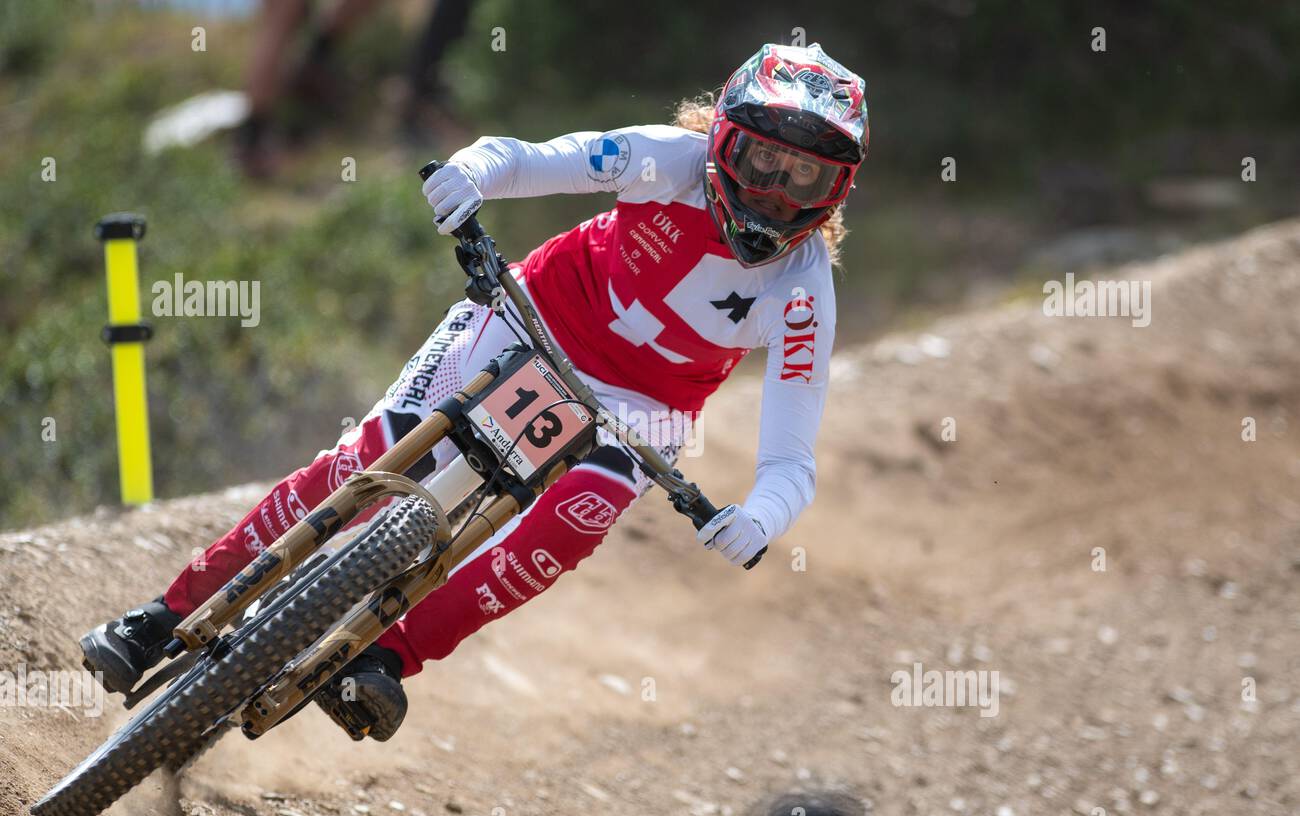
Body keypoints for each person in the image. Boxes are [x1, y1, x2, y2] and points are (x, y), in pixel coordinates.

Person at [81, 42, 869, 742]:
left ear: (839, 191)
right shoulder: (668, 159)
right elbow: (529, 157)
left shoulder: (806, 294)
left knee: (568, 525)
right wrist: (473, 174)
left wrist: (759, 517)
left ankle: (389, 656)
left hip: (640, 410)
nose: (775, 193)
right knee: (371, 459)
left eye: (807, 177)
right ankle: (162, 614)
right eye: (763, 161)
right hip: (531, 320)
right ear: (720, 143)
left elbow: (792, 461)